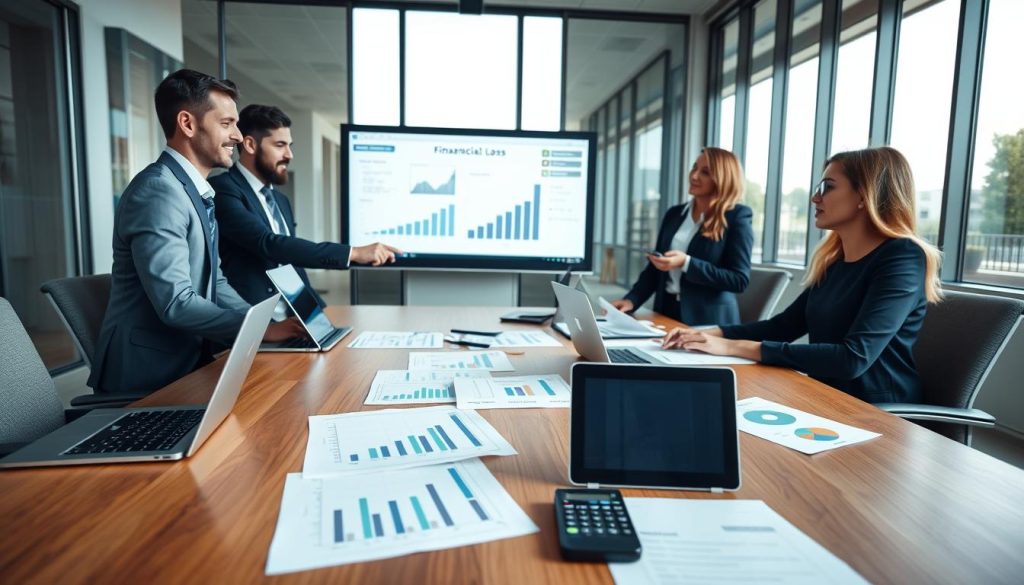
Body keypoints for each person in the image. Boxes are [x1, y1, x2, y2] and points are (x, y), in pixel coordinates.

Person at [661, 146, 943, 404]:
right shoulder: (835, 261)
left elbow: (852, 358)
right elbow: (783, 326)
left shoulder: (903, 257)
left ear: (863, 196)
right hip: (824, 396)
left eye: (827, 187)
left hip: (876, 410)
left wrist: (733, 346)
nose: (815, 197)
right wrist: (706, 333)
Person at [88, 70, 302, 397]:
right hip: (150, 380)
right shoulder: (160, 192)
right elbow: (176, 302)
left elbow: (215, 282)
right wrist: (255, 331)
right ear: (187, 124)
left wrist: (262, 327)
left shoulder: (191, 189)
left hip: (190, 362)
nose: (236, 136)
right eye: (227, 123)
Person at [210, 104, 399, 311]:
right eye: (280, 145)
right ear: (250, 145)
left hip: (294, 320)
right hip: (252, 321)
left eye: (290, 145)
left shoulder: (280, 201)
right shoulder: (223, 189)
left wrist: (322, 313)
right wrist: (352, 253)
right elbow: (269, 245)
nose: (289, 154)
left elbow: (292, 264)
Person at [611, 147, 753, 325]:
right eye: (694, 168)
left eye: (705, 172)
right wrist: (632, 300)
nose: (694, 176)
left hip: (708, 323)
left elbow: (738, 280)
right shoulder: (674, 214)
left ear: (722, 180)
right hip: (666, 312)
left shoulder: (737, 216)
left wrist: (686, 263)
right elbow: (655, 268)